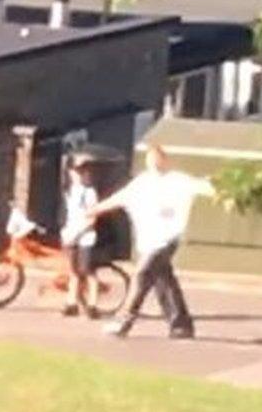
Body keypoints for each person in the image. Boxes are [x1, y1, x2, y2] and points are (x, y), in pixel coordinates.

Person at [84, 143, 215, 340]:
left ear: (165, 160)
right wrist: (94, 210)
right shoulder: (141, 183)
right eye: (151, 159)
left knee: (141, 275)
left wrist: (224, 187)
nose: (154, 163)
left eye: (158, 158)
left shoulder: (178, 181)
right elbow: (118, 199)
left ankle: (123, 321)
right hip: (147, 242)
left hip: (167, 239)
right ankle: (181, 325)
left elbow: (206, 188)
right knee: (164, 281)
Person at [57, 158, 102, 318]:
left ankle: (92, 305)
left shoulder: (89, 192)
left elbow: (92, 217)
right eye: (75, 171)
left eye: (80, 171)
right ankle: (71, 303)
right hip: (71, 235)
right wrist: (66, 232)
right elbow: (68, 214)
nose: (77, 174)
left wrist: (77, 232)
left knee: (88, 271)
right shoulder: (69, 192)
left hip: (86, 237)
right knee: (73, 271)